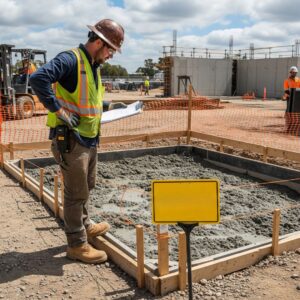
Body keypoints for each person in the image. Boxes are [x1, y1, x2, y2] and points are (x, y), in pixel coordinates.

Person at [30, 19, 125, 264]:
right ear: (99, 42)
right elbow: (38, 78)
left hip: (89, 139)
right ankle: (77, 244)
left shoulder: (93, 65)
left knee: (87, 186)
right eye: (111, 50)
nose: (111, 56)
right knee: (75, 193)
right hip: (71, 141)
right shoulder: (71, 59)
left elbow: (87, 99)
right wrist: (59, 111)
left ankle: (84, 224)